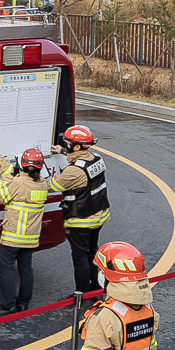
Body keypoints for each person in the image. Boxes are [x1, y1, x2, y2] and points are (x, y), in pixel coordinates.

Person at [0, 147, 52, 313]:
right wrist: (2, 164)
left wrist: (7, 172)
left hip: (12, 236)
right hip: (31, 237)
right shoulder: (43, 184)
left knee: (7, 270)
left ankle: (7, 306)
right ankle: (23, 303)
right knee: (26, 270)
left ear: (22, 165)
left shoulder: (16, 182)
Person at [51, 126, 110, 296]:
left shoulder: (74, 170)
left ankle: (81, 293)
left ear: (77, 146)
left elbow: (54, 185)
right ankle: (96, 289)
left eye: (68, 143)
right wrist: (63, 151)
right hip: (99, 216)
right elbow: (81, 159)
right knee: (92, 252)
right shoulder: (97, 158)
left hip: (81, 220)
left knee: (80, 257)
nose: (66, 145)